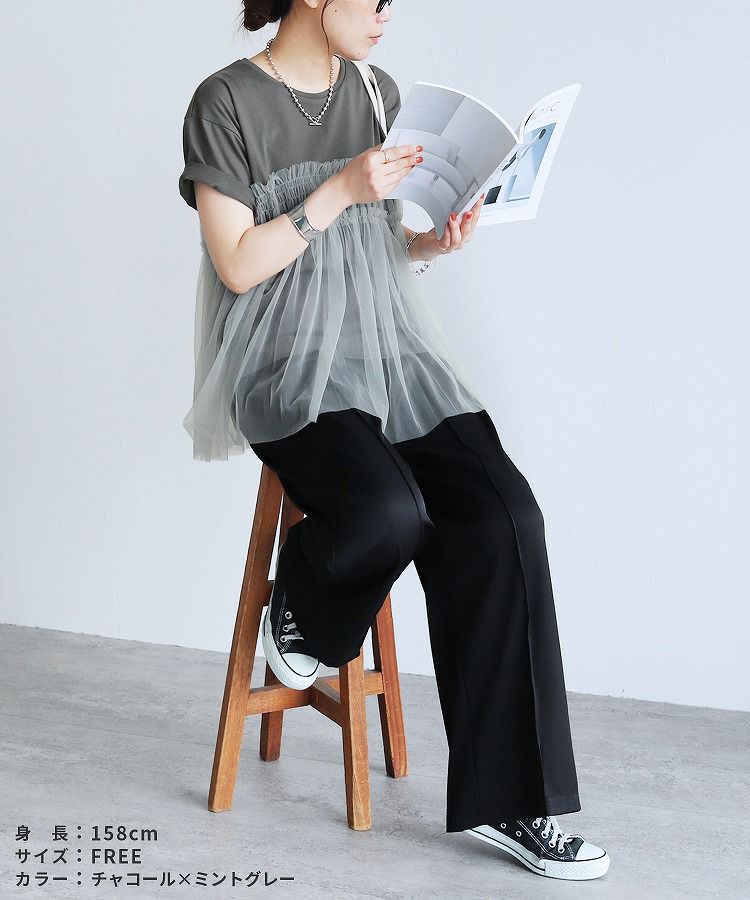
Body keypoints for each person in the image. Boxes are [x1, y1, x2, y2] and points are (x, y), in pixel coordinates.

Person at [178, 0, 610, 882]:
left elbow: (368, 252)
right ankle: (301, 607)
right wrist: (340, 189)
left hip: (383, 352)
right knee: (388, 510)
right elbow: (239, 265)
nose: (385, 16)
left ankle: (513, 802)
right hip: (282, 364)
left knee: (504, 516)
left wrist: (430, 244)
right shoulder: (224, 101)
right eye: (374, 0)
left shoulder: (378, 93)